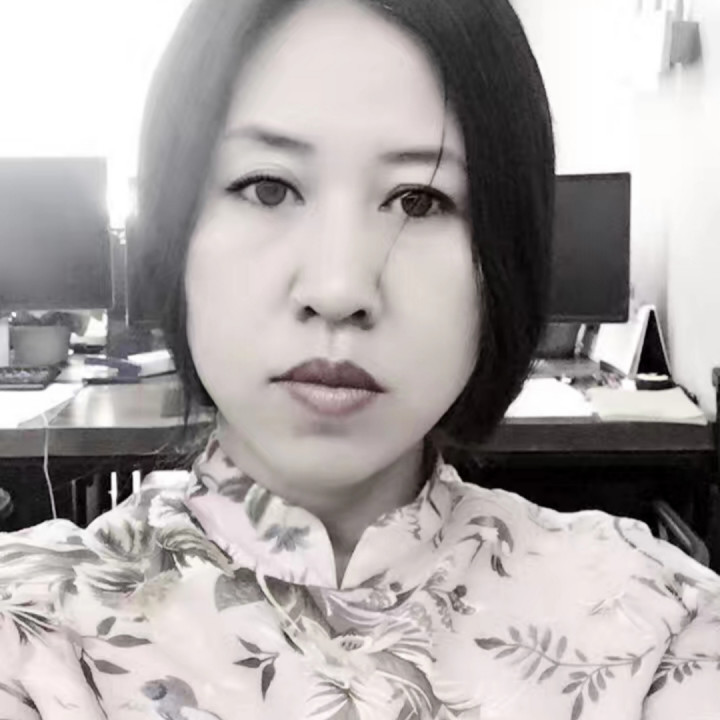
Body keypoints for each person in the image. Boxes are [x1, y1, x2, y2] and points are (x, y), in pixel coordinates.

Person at [1, 0, 718, 717]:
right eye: (268, 187)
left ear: (505, 257)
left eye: (419, 199)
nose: (339, 289)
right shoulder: (34, 635)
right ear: (173, 234)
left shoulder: (657, 624)